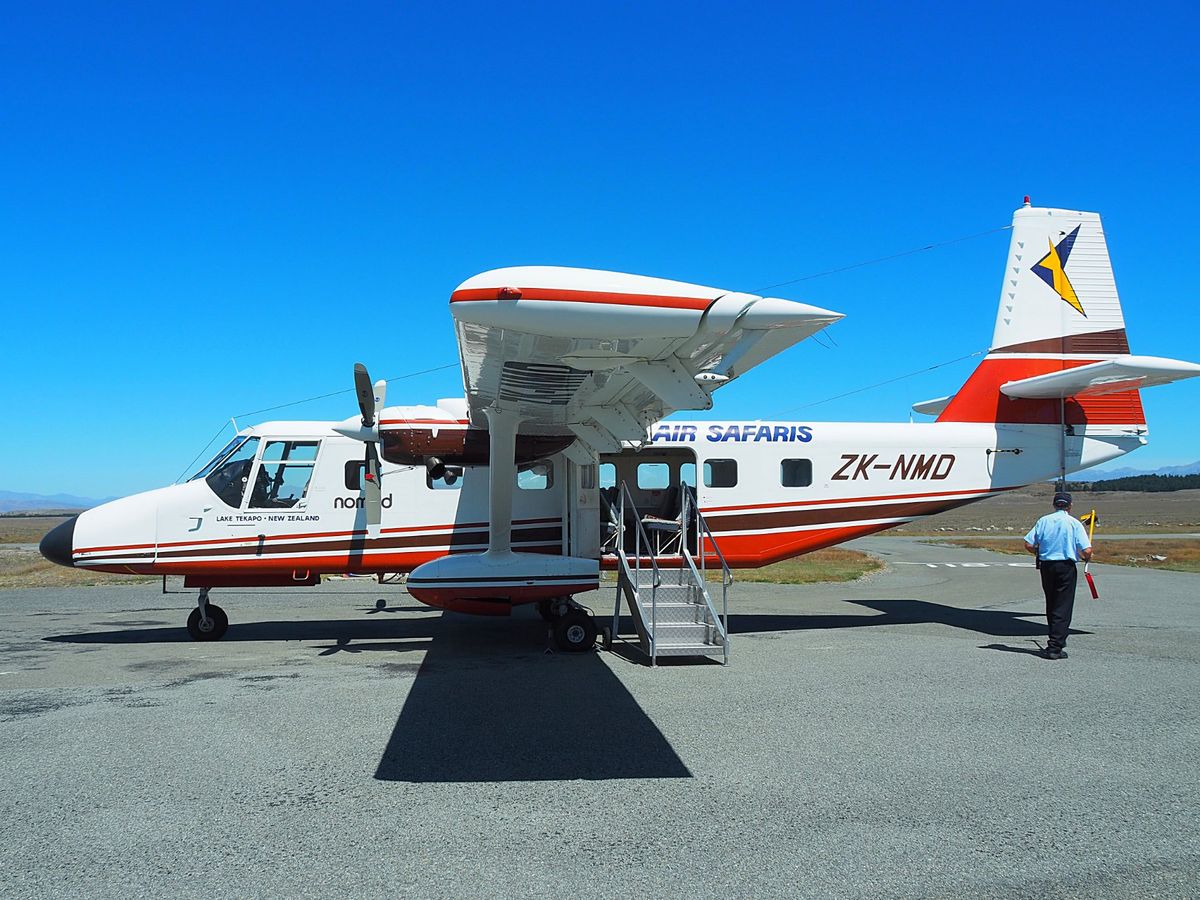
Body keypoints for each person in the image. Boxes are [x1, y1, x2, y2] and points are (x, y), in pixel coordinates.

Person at [1024, 491, 1093, 660]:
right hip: (1065, 566)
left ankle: (1057, 637)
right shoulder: (1074, 523)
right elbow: (1087, 550)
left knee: (1052, 602)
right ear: (1069, 506)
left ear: (1055, 504)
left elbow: (1028, 544)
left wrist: (1039, 553)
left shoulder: (1043, 521)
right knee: (1063, 605)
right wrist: (1086, 557)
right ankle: (1055, 646)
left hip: (1047, 566)